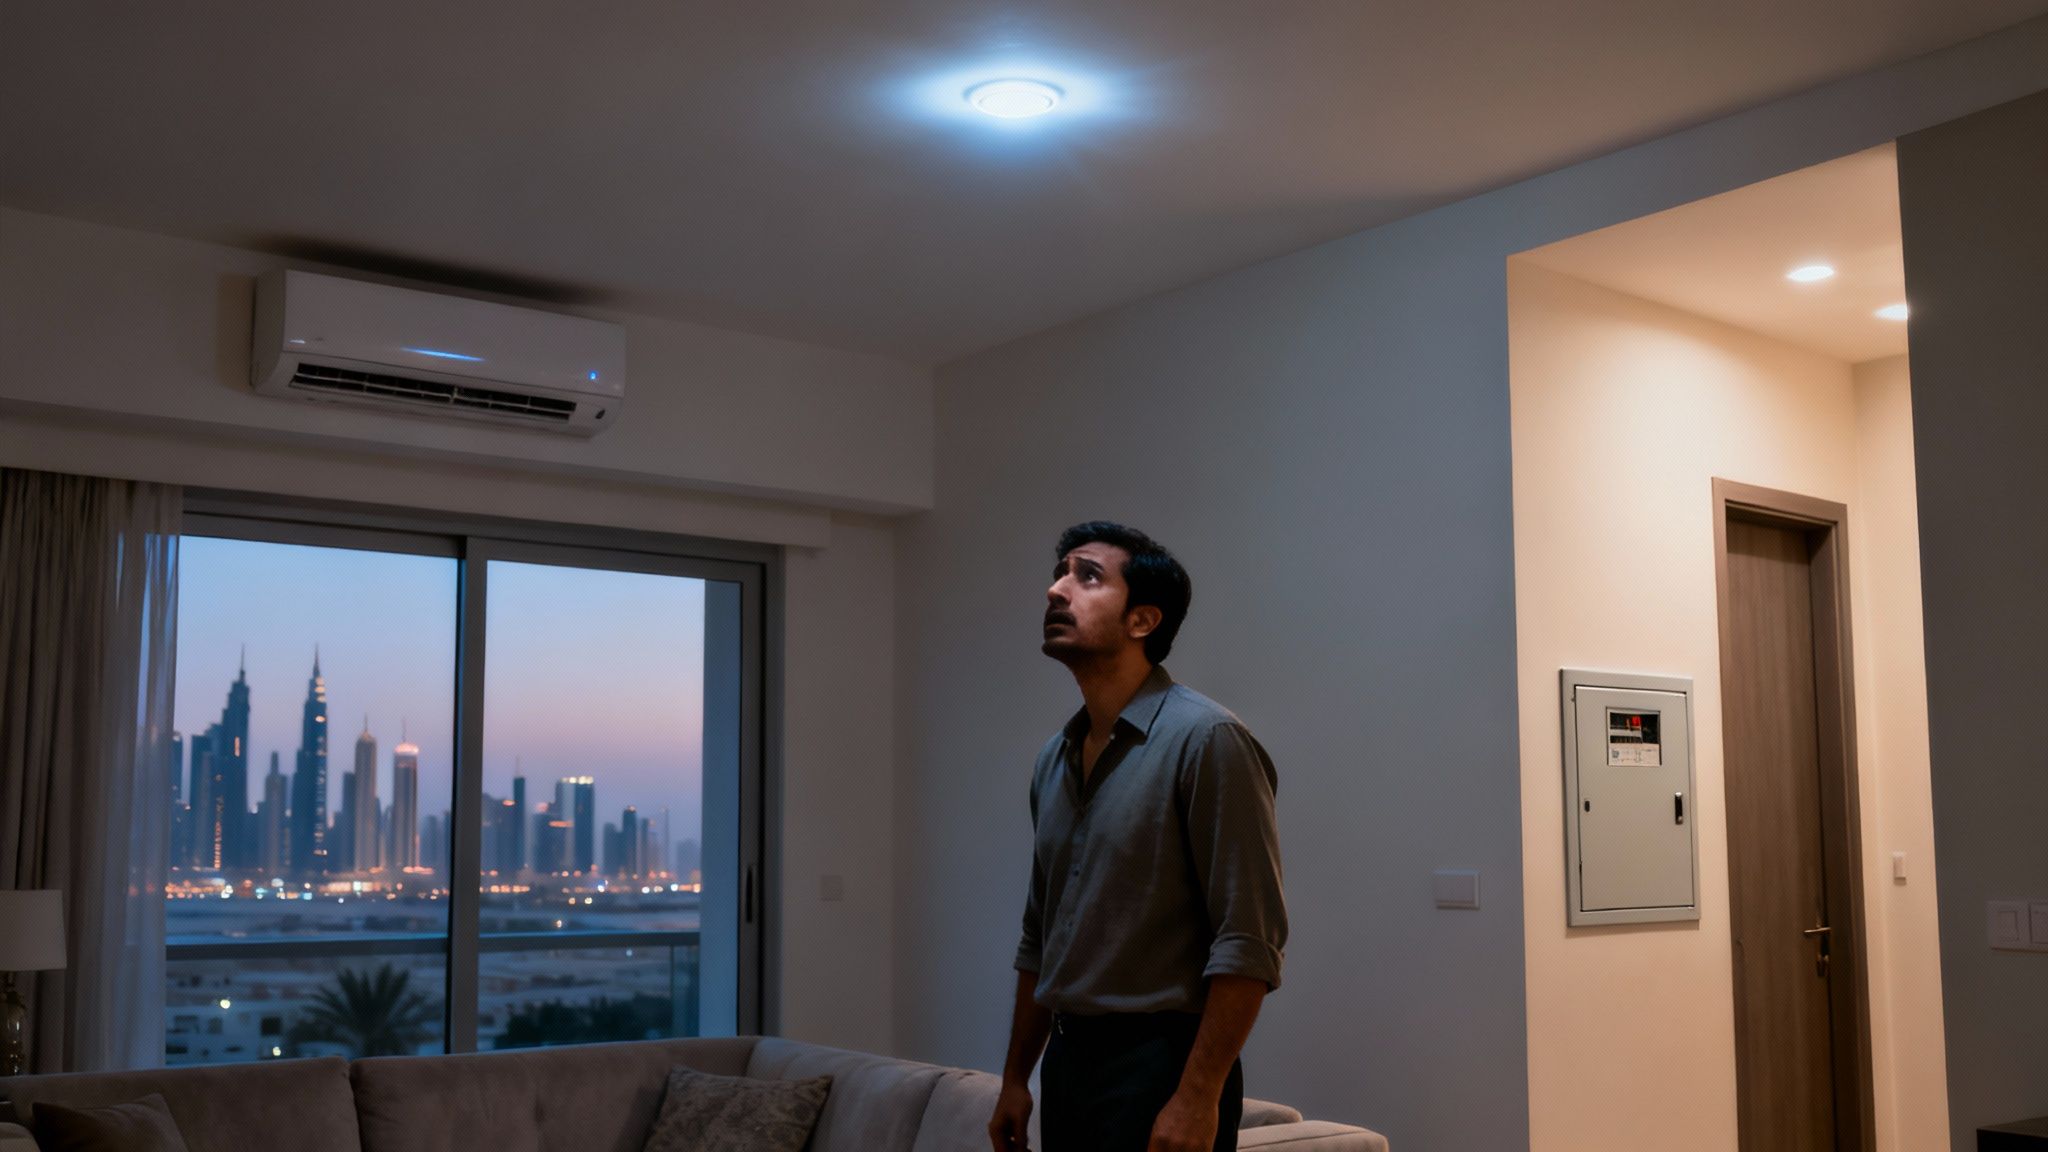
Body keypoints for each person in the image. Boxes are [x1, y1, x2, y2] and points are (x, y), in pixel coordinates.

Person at [989, 521, 1288, 1152]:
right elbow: (1040, 934)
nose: (1055, 590)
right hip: (1069, 1065)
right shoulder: (1055, 757)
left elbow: (1248, 941)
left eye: (1087, 575)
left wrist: (1197, 1096)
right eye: (1060, 571)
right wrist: (1017, 1077)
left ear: (1142, 621)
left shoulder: (1208, 741)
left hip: (1159, 1063)